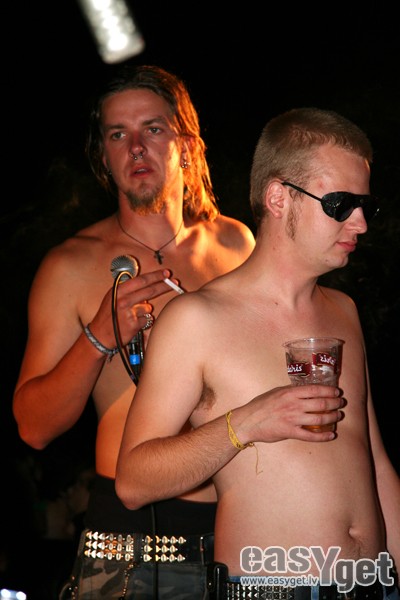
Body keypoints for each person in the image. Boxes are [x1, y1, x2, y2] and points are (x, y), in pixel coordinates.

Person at [116, 107, 400, 600]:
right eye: (340, 204)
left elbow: (373, 462)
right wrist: (246, 423)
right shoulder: (197, 318)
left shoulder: (343, 311)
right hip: (269, 586)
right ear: (278, 198)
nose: (359, 223)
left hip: (373, 584)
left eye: (364, 207)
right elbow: (133, 481)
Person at [12, 64, 255, 599]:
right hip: (130, 549)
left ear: (186, 145)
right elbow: (33, 427)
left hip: (242, 538)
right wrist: (99, 335)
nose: (137, 148)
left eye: (153, 128)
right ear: (103, 155)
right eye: (118, 134)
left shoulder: (236, 245)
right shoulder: (70, 265)